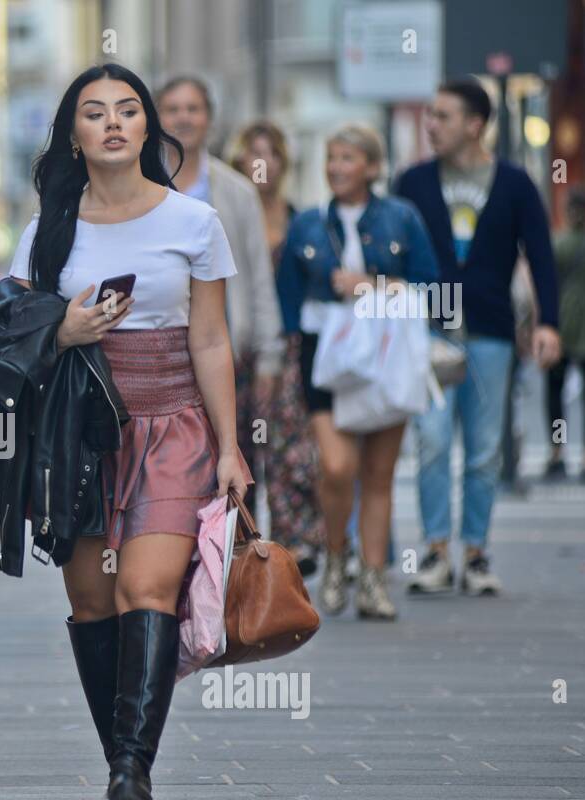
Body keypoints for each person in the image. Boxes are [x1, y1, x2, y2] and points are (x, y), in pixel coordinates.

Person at [8, 63, 251, 800]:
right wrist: (62, 330)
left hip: (175, 422)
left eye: (127, 110)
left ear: (148, 128)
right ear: (73, 135)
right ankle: (123, 760)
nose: (112, 122)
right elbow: (11, 326)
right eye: (93, 112)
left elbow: (211, 339)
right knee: (91, 602)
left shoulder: (193, 220)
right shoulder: (48, 228)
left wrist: (231, 445)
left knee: (147, 587)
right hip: (78, 433)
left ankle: (131, 773)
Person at [395, 78, 562, 596]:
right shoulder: (413, 182)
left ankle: (477, 551)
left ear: (475, 124)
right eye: (429, 116)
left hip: (490, 330)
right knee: (433, 440)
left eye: (442, 117)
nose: (431, 126)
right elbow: (394, 252)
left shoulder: (515, 183)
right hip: (428, 330)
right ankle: (437, 551)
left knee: (485, 447)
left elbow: (540, 254)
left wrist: (548, 323)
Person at [277, 124, 439, 620]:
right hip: (323, 351)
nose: (336, 167)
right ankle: (335, 559)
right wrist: (281, 353)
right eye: (331, 157)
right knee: (338, 466)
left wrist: (371, 284)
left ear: (371, 167)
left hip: (387, 351)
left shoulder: (401, 216)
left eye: (347, 158)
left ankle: (372, 581)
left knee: (378, 473)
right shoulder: (306, 223)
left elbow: (431, 284)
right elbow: (287, 294)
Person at [156, 78, 283, 526]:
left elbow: (258, 275)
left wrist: (269, 354)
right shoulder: (143, 186)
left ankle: (236, 577)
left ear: (209, 118)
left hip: (230, 355)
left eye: (193, 108)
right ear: (157, 118)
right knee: (177, 476)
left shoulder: (237, 192)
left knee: (238, 471)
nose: (183, 118)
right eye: (172, 108)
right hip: (163, 360)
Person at [230, 119, 326, 575]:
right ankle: (242, 542)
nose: (261, 163)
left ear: (284, 162)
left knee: (287, 445)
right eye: (253, 153)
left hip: (285, 347)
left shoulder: (298, 219)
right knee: (237, 445)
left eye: (270, 153)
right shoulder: (226, 214)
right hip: (234, 344)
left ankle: (295, 543)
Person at [544, 186, 585, 484]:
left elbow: (545, 285)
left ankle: (558, 452)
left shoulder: (557, 245)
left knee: (555, 392)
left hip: (564, 322)